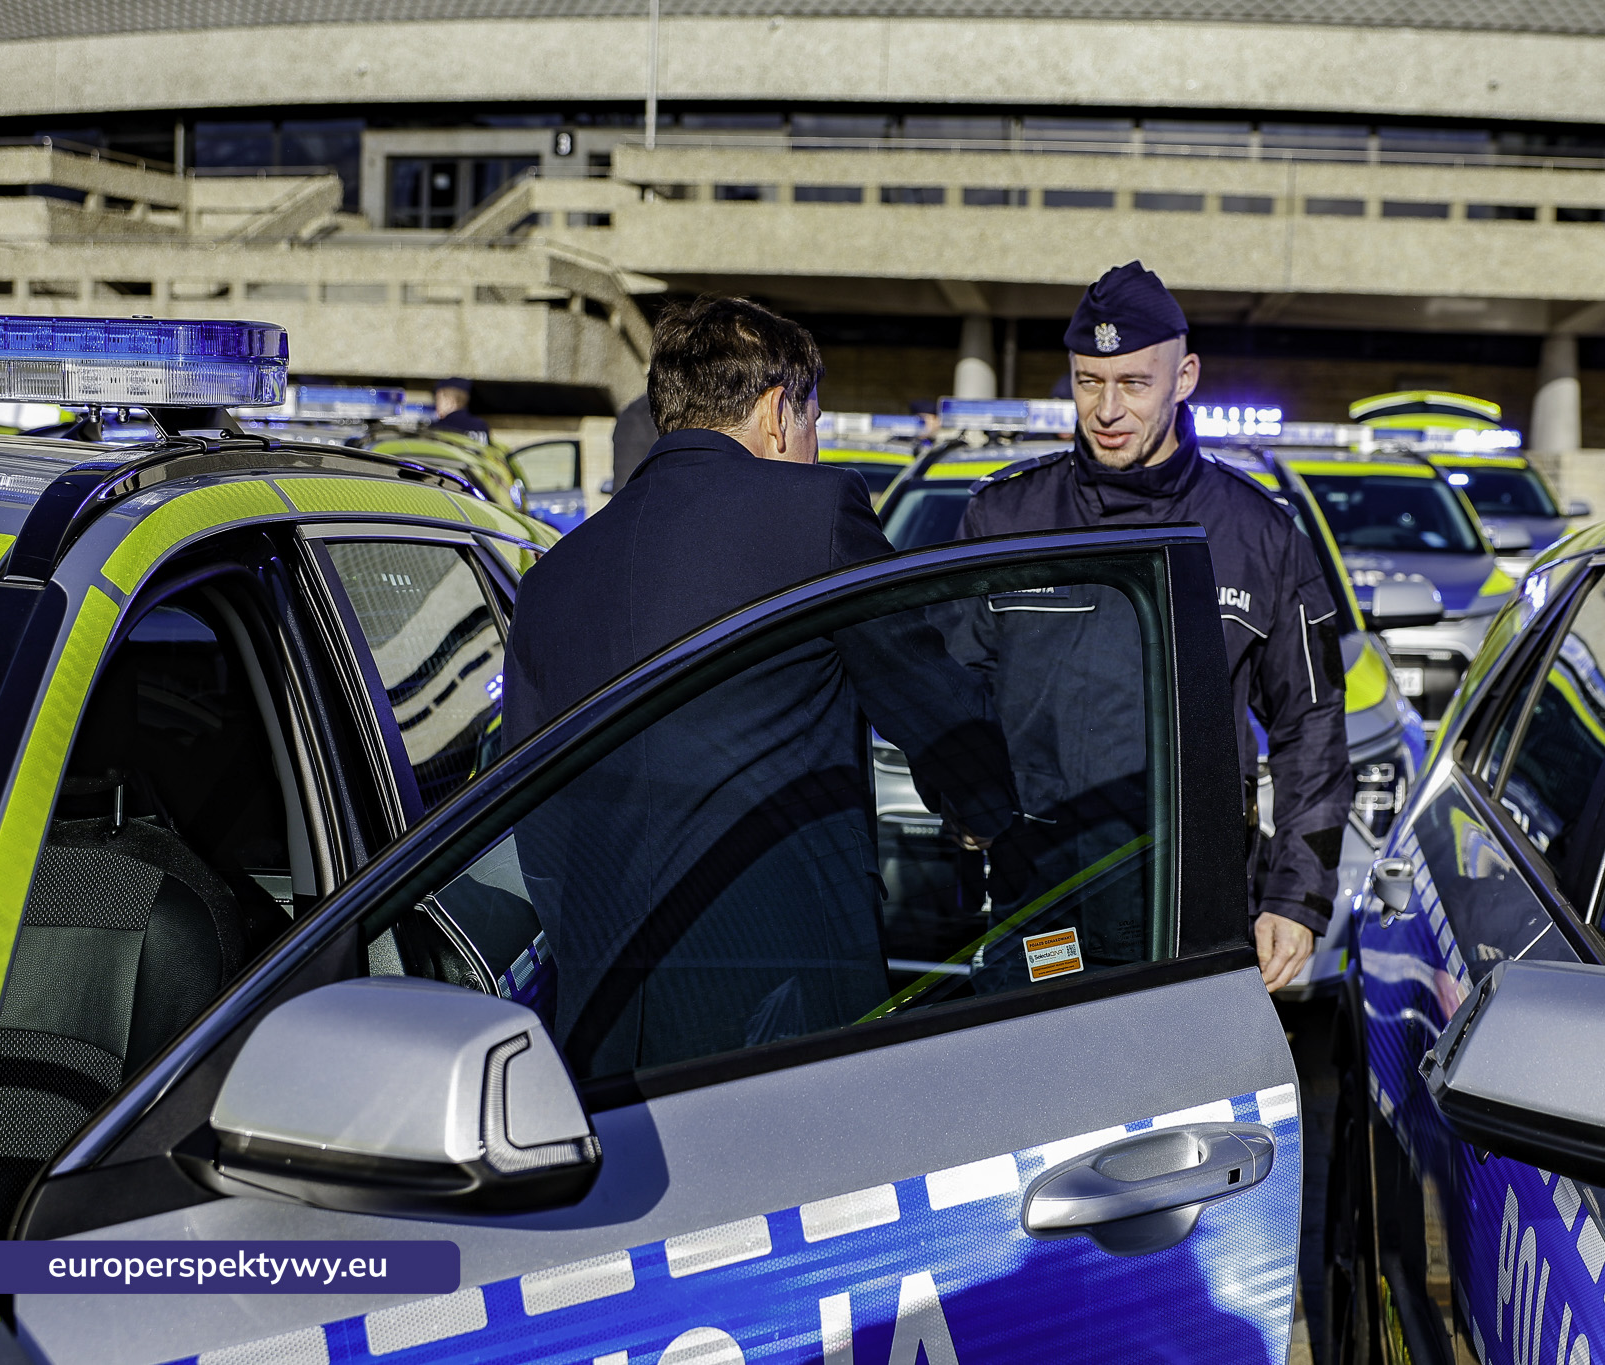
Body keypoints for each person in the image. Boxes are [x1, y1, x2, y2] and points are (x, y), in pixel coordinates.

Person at [503, 295, 1016, 1076]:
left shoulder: (551, 578)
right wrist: (986, 810)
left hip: (602, 1023)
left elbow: (532, 819)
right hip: (783, 1010)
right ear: (780, 412)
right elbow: (921, 687)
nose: (813, 448)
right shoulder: (813, 513)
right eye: (815, 423)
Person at [953, 261, 1350, 992]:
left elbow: (1313, 725)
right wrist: (964, 795)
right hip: (1040, 902)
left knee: (1181, 1108)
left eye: (1134, 382)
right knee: (1032, 1102)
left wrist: (1296, 899)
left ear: (1185, 376)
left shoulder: (1261, 534)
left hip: (1190, 906)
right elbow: (952, 684)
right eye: (1087, 380)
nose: (1107, 408)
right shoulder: (1004, 519)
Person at [428, 376, 492, 441]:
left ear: (449, 401)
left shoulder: (438, 427)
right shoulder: (481, 426)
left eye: (437, 399)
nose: (436, 405)